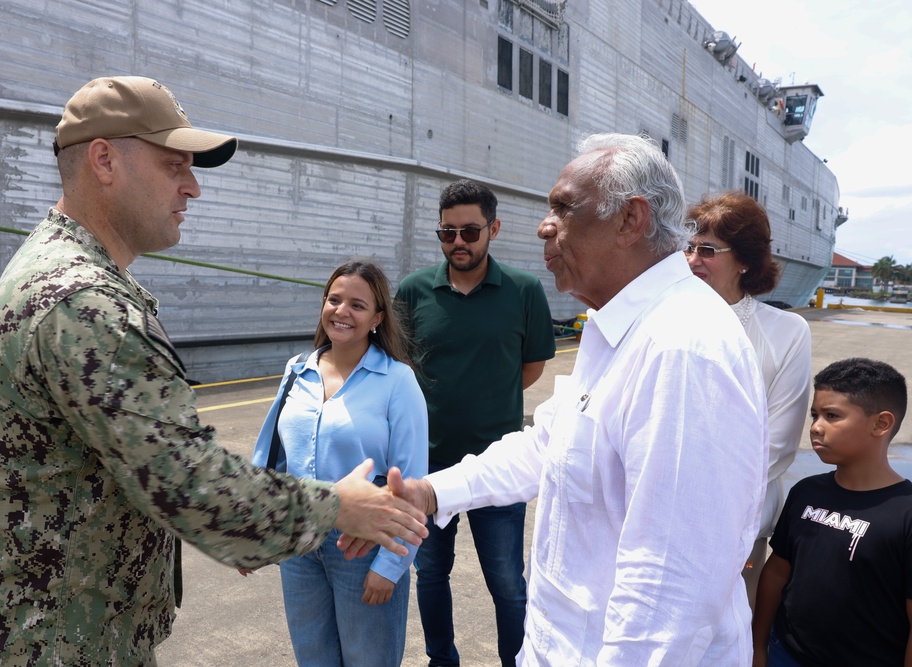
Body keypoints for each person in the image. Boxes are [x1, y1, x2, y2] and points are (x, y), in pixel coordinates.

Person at [0, 76, 426, 666]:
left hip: (49, 629)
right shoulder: (86, 304)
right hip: (52, 642)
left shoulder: (57, 271)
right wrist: (337, 507)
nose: (192, 187)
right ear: (104, 160)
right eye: (174, 167)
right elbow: (191, 485)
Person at [351, 133, 770, 665]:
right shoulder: (620, 328)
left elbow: (670, 594)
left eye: (563, 208)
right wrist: (430, 493)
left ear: (630, 220)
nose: (545, 225)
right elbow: (548, 444)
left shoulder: (683, 348)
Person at [395, 179, 556, 667]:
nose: (459, 243)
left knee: (508, 583)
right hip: (429, 465)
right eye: (448, 233)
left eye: (470, 231)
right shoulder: (414, 290)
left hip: (499, 465)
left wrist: (486, 400)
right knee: (431, 574)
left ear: (494, 229)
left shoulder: (524, 291)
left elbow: (530, 368)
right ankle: (441, 660)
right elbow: (399, 366)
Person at [250, 260, 428, 666]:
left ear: (377, 318)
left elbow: (412, 481)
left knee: (369, 659)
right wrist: (254, 530)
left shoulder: (398, 381)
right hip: (298, 538)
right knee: (313, 657)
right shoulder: (297, 370)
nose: (341, 311)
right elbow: (268, 458)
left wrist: (392, 564)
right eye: (334, 299)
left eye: (357, 305)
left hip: (362, 545)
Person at [685, 191, 812, 606]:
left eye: (707, 250)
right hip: (658, 516)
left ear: (744, 261)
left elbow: (778, 443)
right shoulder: (662, 324)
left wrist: (693, 489)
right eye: (687, 247)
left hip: (738, 521)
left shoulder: (786, 332)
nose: (691, 259)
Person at [752, 358, 912, 666]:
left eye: (832, 416)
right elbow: (777, 572)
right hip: (786, 655)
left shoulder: (905, 513)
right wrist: (758, 647)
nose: (816, 427)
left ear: (881, 423)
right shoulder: (806, 491)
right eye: (815, 415)